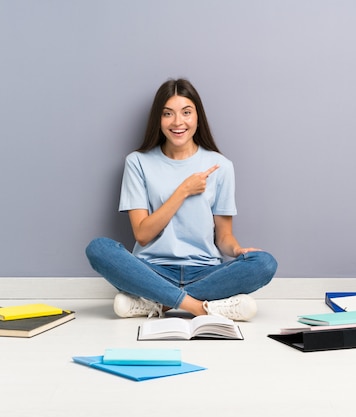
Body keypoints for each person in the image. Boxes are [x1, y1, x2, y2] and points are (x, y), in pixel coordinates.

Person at [86, 78, 277, 321]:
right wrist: (183, 190)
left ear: (198, 117)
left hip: (206, 272)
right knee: (98, 249)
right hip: (151, 270)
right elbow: (143, 235)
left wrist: (238, 249)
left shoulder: (221, 166)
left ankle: (158, 303)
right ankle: (201, 307)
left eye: (186, 112)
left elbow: (223, 236)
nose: (178, 122)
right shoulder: (138, 162)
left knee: (265, 263)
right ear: (159, 119)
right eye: (168, 114)